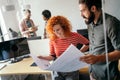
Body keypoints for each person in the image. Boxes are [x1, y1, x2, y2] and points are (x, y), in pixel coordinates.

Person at [78, 0, 120, 80]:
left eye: (83, 11)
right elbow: (93, 46)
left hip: (108, 76)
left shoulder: (111, 23)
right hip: (93, 74)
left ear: (93, 8)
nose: (81, 15)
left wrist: (98, 58)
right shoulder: (89, 23)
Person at [38, 15, 89, 80]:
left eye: (58, 29)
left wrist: (79, 52)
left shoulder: (74, 36)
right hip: (58, 69)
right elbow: (52, 56)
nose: (56, 32)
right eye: (54, 30)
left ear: (64, 27)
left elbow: (87, 44)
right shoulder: (53, 39)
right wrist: (42, 57)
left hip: (71, 69)